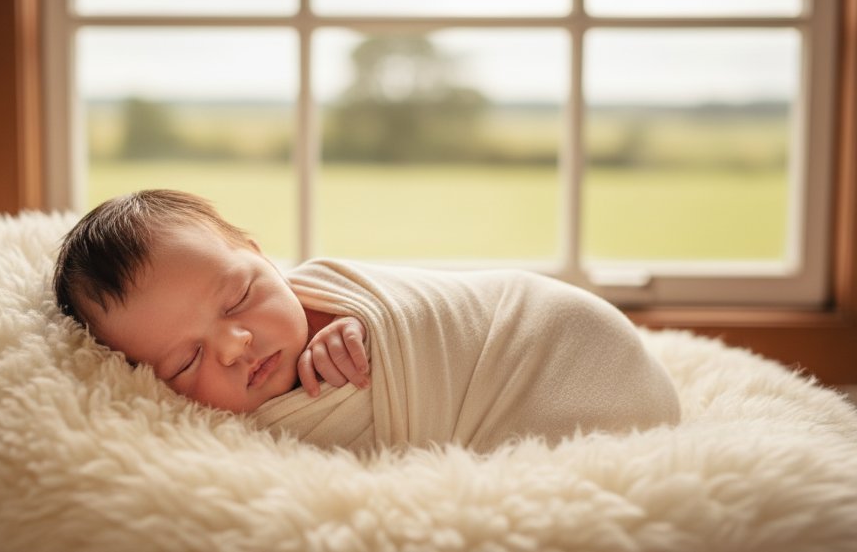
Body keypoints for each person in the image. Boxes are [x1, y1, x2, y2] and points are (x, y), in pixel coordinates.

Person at [54, 189, 680, 452]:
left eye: (240, 296)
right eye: (184, 361)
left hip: (552, 340)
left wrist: (371, 329)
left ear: (262, 258)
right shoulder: (229, 436)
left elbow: (420, 312)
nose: (234, 343)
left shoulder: (328, 295)